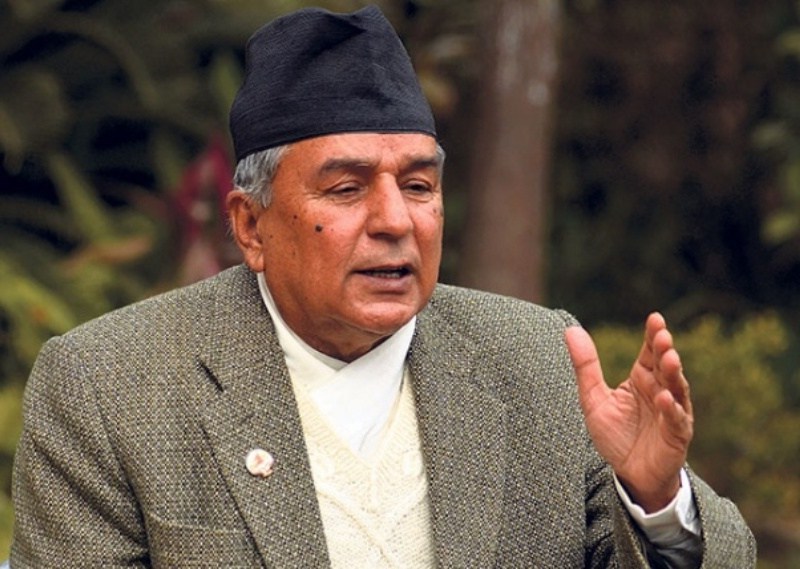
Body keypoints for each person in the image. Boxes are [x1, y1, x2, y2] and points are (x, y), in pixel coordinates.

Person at [10, 5, 755, 568]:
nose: (396, 221)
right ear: (250, 226)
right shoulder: (112, 386)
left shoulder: (533, 358)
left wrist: (656, 500)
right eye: (346, 188)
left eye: (419, 185)